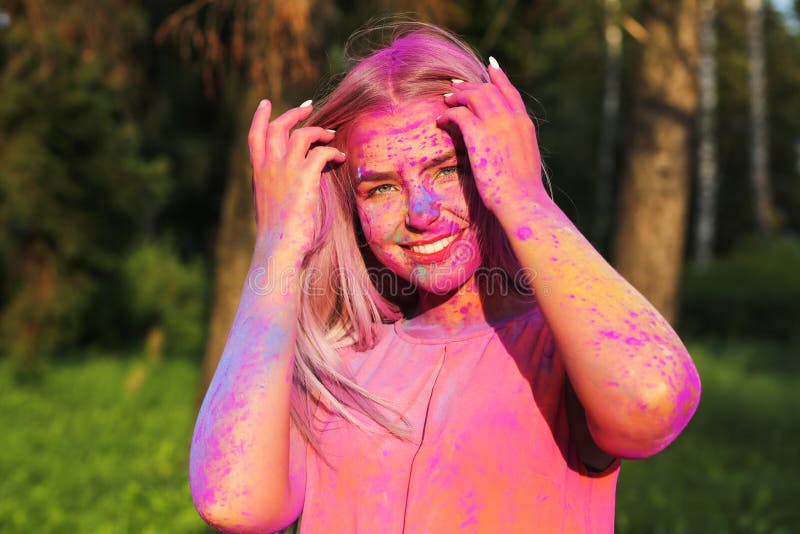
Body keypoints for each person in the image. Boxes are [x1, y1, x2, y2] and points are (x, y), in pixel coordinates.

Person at [189, 21, 701, 534]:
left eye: (447, 169)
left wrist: (523, 197)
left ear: (494, 161)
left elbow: (652, 400)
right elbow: (233, 502)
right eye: (381, 189)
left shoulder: (560, 348)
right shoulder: (338, 364)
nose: (421, 211)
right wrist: (276, 246)